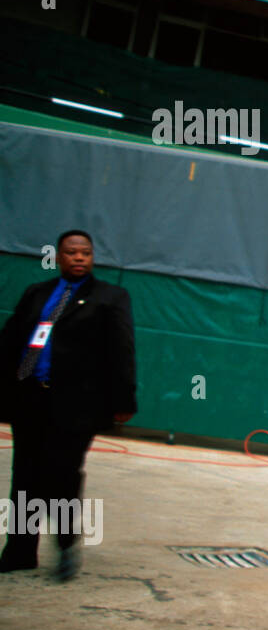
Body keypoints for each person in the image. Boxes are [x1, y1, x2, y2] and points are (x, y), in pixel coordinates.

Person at [0, 230, 135, 580]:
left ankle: (64, 546)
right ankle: (19, 551)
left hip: (77, 405)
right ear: (58, 257)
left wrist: (124, 399)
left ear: (93, 258)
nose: (79, 258)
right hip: (31, 398)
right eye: (72, 253)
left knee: (61, 475)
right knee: (25, 476)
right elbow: (11, 341)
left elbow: (122, 350)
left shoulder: (110, 297)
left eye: (85, 253)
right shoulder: (38, 294)